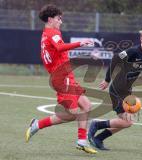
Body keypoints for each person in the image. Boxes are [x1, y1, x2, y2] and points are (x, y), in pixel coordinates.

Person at [25, 4, 97, 154]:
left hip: (66, 76)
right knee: (74, 113)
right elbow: (59, 47)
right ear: (50, 19)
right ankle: (38, 125)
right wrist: (80, 43)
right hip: (62, 79)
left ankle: (81, 141)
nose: (60, 21)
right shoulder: (52, 32)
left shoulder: (47, 33)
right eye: (59, 18)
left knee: (86, 106)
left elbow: (58, 54)